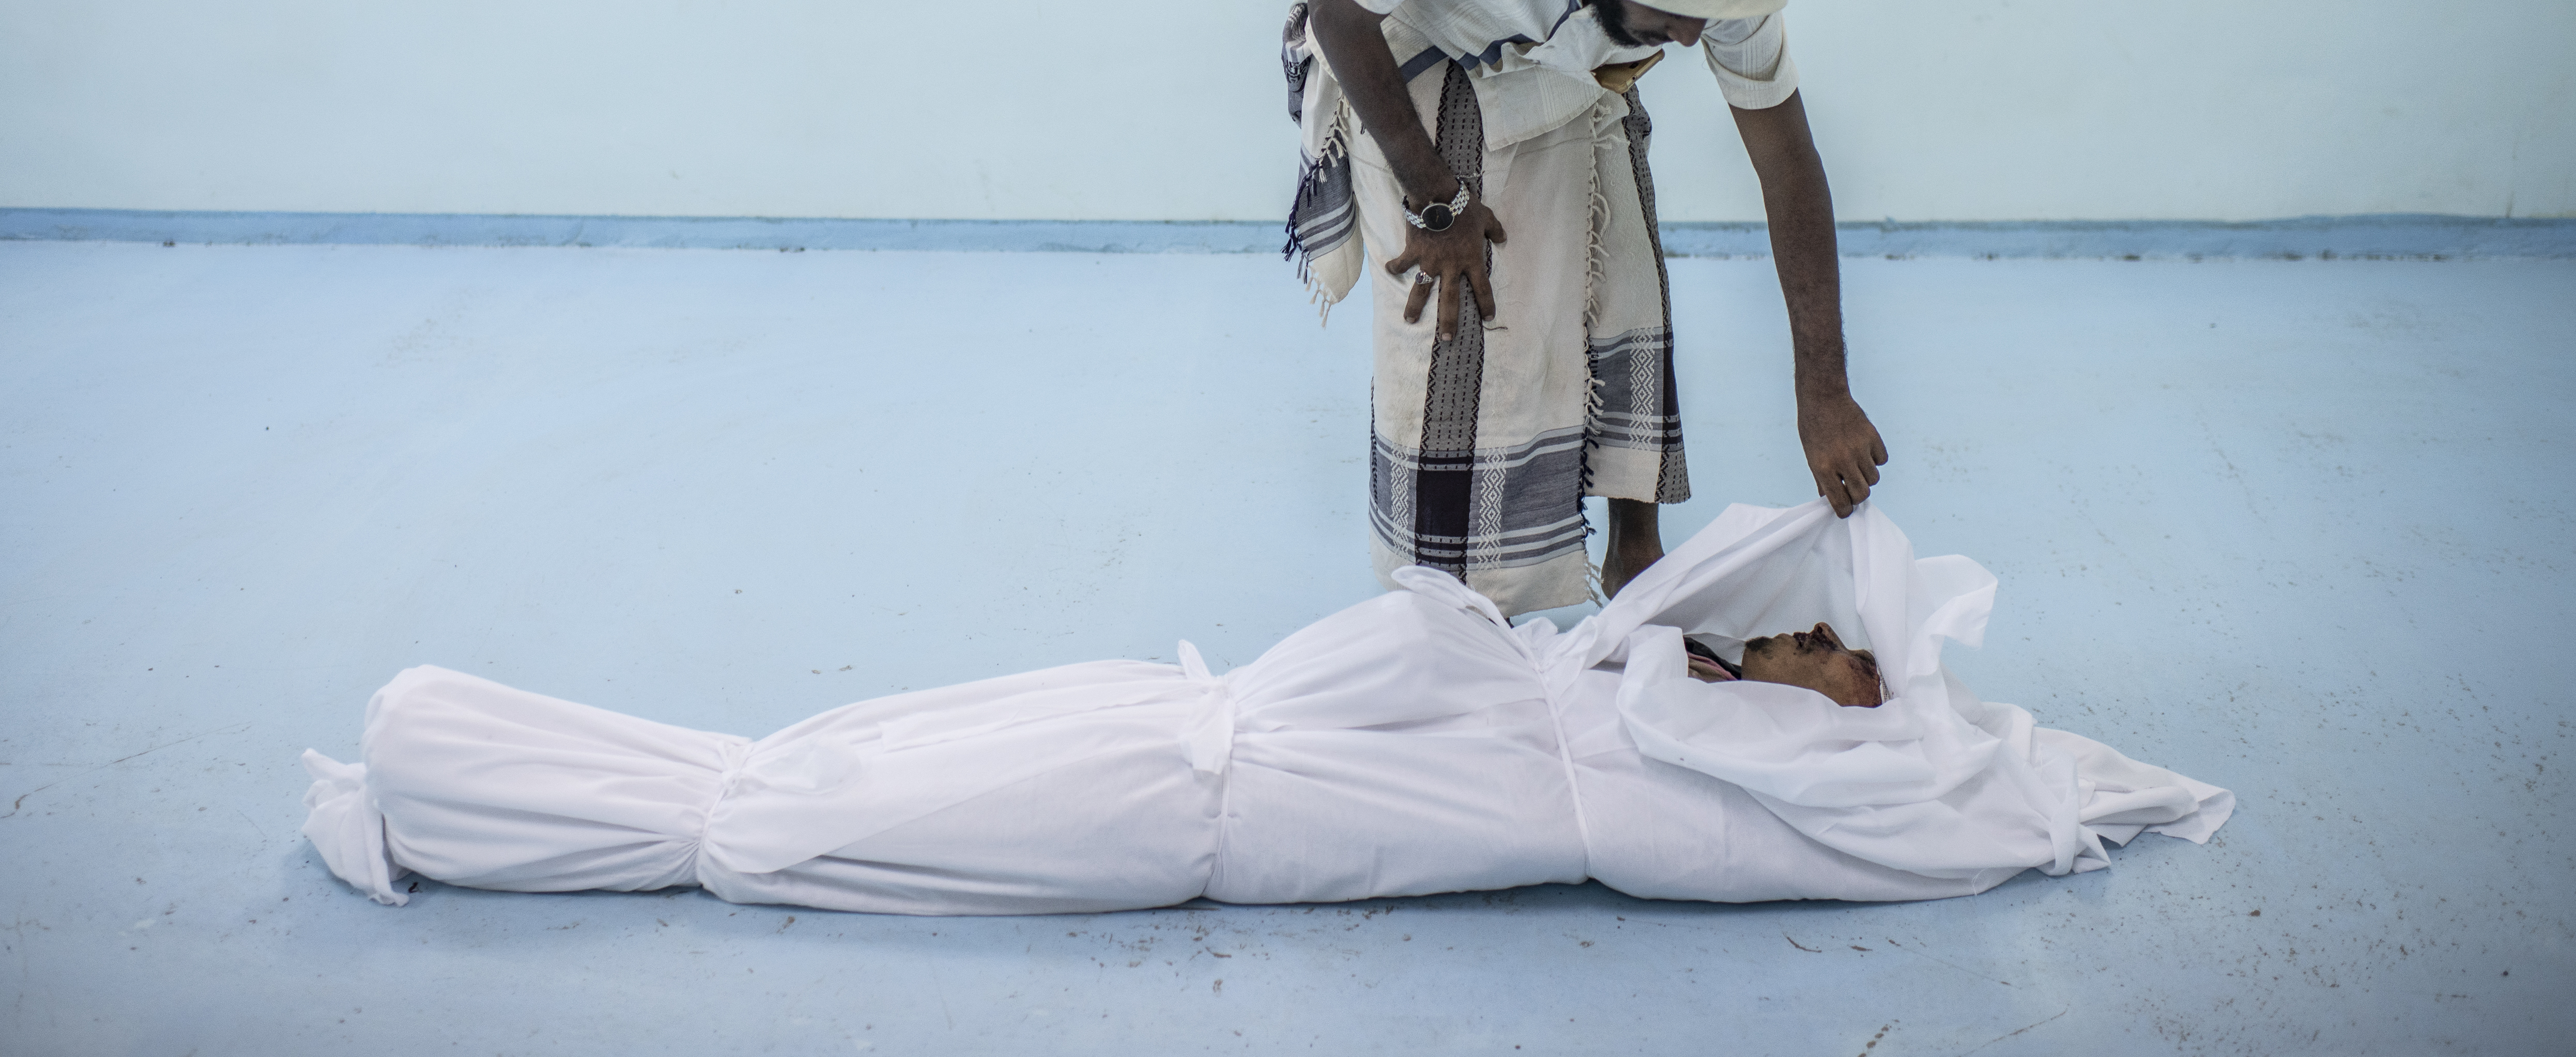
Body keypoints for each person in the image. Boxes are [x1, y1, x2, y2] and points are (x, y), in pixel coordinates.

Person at [301, 502, 2230, 916]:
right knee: (830, 765)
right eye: (1822, 642)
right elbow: (1654, 626)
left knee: (799, 811)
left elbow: (1710, 762)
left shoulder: (1689, 754)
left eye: (1840, 664)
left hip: (1205, 797)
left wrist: (1990, 773)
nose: (1818, 658)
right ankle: (454, 768)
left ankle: (457, 788)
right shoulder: (1639, 681)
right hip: (1202, 735)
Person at [1283, 0, 1887, 614]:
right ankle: (1449, 599)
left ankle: (1636, 556)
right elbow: (1337, 17)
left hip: (1559, 50)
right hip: (1410, 41)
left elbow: (1787, 161)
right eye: (1672, 12)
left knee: (1621, 274)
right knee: (1465, 317)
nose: (1686, 39)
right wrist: (1438, 201)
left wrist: (1823, 390)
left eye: (1702, 17)